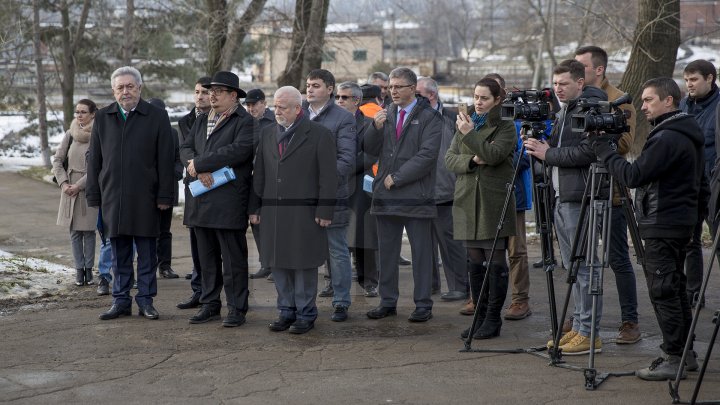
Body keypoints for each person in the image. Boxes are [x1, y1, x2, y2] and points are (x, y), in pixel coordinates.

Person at [593, 77, 706, 380]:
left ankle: (674, 356)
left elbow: (633, 176)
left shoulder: (668, 137)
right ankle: (684, 353)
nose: (642, 107)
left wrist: (605, 152)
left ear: (668, 101)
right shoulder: (684, 131)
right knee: (674, 288)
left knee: (664, 290)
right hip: (678, 221)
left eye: (648, 100)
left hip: (664, 222)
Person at [525, 59, 608, 354]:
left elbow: (589, 151)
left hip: (580, 197)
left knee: (585, 266)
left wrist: (548, 153)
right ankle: (581, 328)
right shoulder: (565, 111)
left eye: (564, 84)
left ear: (580, 83)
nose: (557, 89)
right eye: (555, 83)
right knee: (574, 267)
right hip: (562, 197)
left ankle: (590, 332)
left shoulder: (588, 108)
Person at [86, 66, 175, 321]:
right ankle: (120, 300)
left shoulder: (157, 116)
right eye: (120, 88)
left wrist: (165, 196)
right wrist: (94, 195)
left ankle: (146, 300)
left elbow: (165, 160)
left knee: (147, 253)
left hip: (146, 198)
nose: (125, 92)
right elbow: (95, 161)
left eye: (130, 86)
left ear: (139, 88)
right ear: (114, 91)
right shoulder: (103, 117)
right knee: (118, 253)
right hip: (113, 198)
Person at [250, 86, 338, 334]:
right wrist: (254, 207)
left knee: (303, 265)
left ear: (298, 109)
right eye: (275, 106)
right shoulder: (268, 133)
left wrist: (325, 210)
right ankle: (286, 311)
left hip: (304, 214)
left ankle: (306, 313)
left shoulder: (319, 135)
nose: (276, 111)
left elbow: (329, 177)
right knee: (278, 264)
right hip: (273, 213)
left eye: (282, 107)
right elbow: (260, 175)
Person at [364, 67, 441, 323]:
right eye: (390, 87)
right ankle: (387, 302)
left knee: (421, 254)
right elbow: (369, 149)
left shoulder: (429, 117)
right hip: (385, 196)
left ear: (412, 88)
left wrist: (397, 178)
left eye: (398, 87)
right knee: (386, 253)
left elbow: (427, 156)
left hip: (415, 195)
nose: (392, 92)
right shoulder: (385, 114)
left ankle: (422, 304)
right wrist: (374, 128)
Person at [574, 45, 640, 343]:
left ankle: (630, 321)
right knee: (579, 258)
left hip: (611, 190)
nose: (577, 74)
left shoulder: (619, 101)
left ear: (598, 69)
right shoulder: (576, 99)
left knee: (618, 258)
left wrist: (598, 134)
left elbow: (624, 144)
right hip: (580, 188)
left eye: (582, 68)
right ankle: (579, 321)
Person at [180, 71, 256, 327]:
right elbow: (185, 148)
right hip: (200, 200)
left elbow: (239, 151)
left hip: (228, 201)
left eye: (218, 91)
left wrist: (202, 163)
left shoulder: (244, 121)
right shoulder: (201, 120)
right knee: (207, 259)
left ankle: (236, 308)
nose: (211, 95)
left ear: (233, 96)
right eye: (210, 90)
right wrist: (197, 167)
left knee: (233, 260)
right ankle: (210, 304)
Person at [445, 78, 517, 339]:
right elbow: (449, 159)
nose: (478, 102)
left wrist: (470, 136)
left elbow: (495, 155)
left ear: (497, 99)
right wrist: (473, 160)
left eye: (484, 98)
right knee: (474, 261)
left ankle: (492, 319)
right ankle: (479, 315)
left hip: (491, 200)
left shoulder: (505, 126)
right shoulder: (466, 122)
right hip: (466, 198)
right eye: (476, 96)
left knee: (495, 261)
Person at [303, 69, 356, 322]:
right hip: (300, 197)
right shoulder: (299, 113)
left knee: (336, 249)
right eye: (307, 85)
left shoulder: (343, 119)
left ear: (330, 89)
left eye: (315, 85)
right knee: (305, 249)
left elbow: (346, 160)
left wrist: (320, 181)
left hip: (332, 194)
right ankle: (303, 302)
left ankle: (341, 301)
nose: (309, 89)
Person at [416, 76, 468, 302]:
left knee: (451, 242)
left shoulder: (452, 117)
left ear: (432, 95)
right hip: (419, 191)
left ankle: (459, 285)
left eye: (418, 94)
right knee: (423, 243)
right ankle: (430, 284)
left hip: (446, 190)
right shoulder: (412, 117)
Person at [679, 59, 719, 309]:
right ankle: (693, 293)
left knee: (718, 243)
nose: (689, 85)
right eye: (686, 80)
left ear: (710, 79)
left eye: (694, 80)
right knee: (690, 241)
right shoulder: (684, 104)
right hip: (691, 183)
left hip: (715, 184)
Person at [336, 81, 379, 298]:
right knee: (335, 236)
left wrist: (343, 168)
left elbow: (371, 154)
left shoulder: (370, 124)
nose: (340, 101)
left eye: (344, 97)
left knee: (364, 235)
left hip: (361, 185)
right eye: (338, 97)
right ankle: (332, 280)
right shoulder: (329, 122)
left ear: (356, 100)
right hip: (335, 185)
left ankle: (369, 280)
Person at [52, 99, 99, 287]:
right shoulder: (70, 134)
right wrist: (64, 183)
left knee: (89, 232)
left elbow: (98, 166)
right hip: (69, 189)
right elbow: (57, 160)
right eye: (77, 112)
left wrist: (80, 185)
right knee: (74, 233)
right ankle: (79, 271)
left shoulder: (98, 135)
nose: (79, 115)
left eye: (83, 112)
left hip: (88, 188)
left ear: (93, 114)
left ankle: (89, 270)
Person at [176, 76, 212, 309]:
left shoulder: (223, 118)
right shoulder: (185, 121)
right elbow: (184, 150)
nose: (200, 96)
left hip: (218, 183)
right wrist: (197, 169)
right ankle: (198, 290)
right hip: (195, 185)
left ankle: (217, 293)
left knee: (217, 245)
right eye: (197, 92)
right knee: (197, 242)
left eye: (205, 92)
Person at [148, 98, 184, 281]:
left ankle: (165, 266)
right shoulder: (142, 133)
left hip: (168, 188)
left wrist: (177, 172)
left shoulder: (172, 133)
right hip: (146, 191)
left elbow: (178, 157)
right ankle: (147, 268)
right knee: (146, 231)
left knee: (164, 230)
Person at [244, 88, 276, 281]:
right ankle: (266, 263)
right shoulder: (245, 122)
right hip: (250, 177)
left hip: (270, 178)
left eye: (254, 104)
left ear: (263, 103)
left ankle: (277, 262)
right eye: (247, 105)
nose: (250, 108)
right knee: (256, 222)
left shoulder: (273, 121)